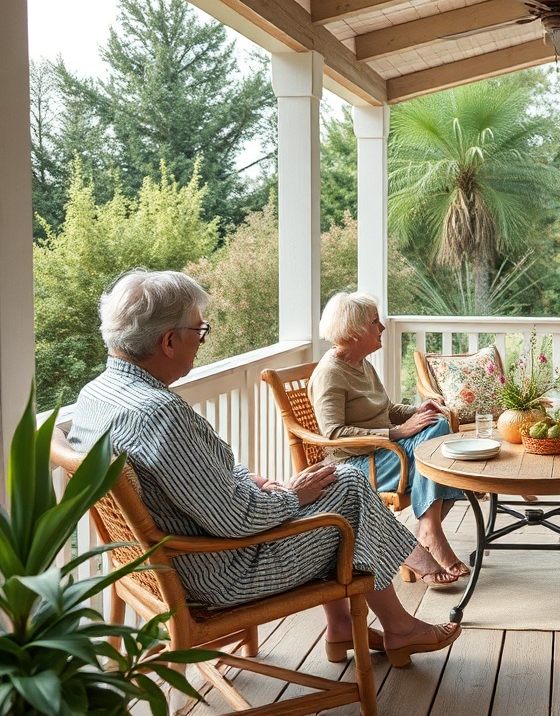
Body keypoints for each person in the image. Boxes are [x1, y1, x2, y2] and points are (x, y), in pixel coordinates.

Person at [68, 270, 460, 667]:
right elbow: (238, 520)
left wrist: (254, 481)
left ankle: (347, 624)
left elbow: (199, 480)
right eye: (199, 330)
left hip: (156, 565)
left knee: (334, 484)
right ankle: (401, 618)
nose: (202, 341)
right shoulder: (159, 413)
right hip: (220, 574)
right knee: (349, 486)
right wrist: (291, 496)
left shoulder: (96, 395)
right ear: (168, 342)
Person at [308, 291, 469, 586]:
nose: (382, 327)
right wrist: (398, 432)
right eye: (374, 322)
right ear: (354, 330)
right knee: (437, 445)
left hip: (384, 453)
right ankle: (430, 531)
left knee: (438, 426)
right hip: (360, 464)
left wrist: (418, 411)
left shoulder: (361, 364)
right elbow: (334, 434)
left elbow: (386, 409)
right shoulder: (330, 373)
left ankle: (429, 530)